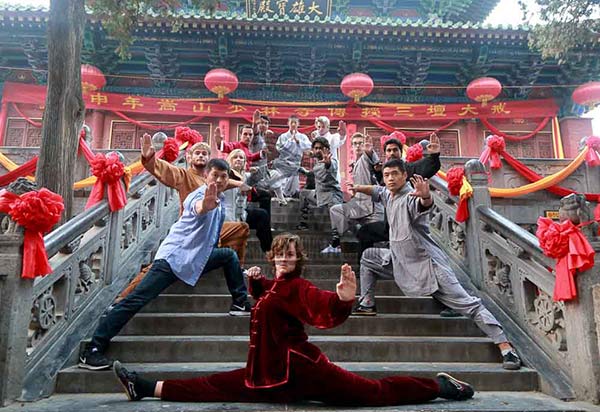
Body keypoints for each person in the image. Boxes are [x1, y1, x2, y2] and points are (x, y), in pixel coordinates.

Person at [112, 233, 474, 405]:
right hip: (263, 375)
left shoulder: (297, 286)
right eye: (279, 254)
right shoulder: (274, 287)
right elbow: (269, 295)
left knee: (374, 392)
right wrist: (254, 282)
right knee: (211, 384)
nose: (283, 259)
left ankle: (439, 387)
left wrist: (343, 300)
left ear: (298, 259)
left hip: (303, 371)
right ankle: (145, 387)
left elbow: (317, 306)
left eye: (289, 255)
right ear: (273, 257)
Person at [348, 159, 522, 370]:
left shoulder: (410, 196)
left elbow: (424, 204)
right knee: (368, 257)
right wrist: (358, 188)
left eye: (395, 173)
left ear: (405, 176)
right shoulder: (387, 194)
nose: (391, 178)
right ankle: (367, 303)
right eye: (387, 175)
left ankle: (506, 347)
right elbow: (376, 190)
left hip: (429, 266)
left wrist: (426, 196)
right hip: (399, 262)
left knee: (469, 304)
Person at [79, 160, 251, 371]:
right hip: (173, 258)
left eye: (224, 177)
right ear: (206, 176)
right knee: (137, 299)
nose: (219, 180)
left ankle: (240, 303)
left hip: (195, 258)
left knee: (228, 256)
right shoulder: (199, 196)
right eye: (215, 175)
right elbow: (197, 208)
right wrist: (204, 206)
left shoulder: (220, 201)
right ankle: (94, 349)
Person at [117, 134, 251, 299]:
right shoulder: (183, 175)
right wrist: (149, 158)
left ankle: (237, 267)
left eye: (204, 154)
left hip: (210, 232)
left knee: (241, 228)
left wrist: (241, 184)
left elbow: (227, 181)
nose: (201, 156)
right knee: (155, 270)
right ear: (189, 157)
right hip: (190, 234)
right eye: (197, 153)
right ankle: (122, 298)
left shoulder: (211, 179)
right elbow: (165, 170)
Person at [356, 133, 442, 262]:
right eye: (388, 150)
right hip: (390, 225)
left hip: (408, 225)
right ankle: (365, 267)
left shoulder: (408, 168)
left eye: (395, 150)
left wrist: (434, 156)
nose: (391, 153)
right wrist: (369, 155)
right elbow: (378, 185)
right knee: (364, 232)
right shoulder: (384, 170)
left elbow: (427, 167)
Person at [321, 133, 383, 254]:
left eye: (360, 143)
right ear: (352, 147)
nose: (358, 146)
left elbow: (374, 161)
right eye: (355, 144)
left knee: (378, 241)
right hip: (358, 204)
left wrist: (370, 151)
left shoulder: (365, 157)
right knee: (336, 210)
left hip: (373, 206)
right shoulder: (355, 163)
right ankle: (337, 243)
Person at [225, 149, 273, 254]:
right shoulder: (225, 174)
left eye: (241, 158)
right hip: (228, 216)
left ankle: (268, 250)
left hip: (242, 213)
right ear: (230, 160)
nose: (238, 159)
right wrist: (239, 185)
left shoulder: (244, 175)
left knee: (263, 211)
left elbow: (255, 176)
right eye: (235, 157)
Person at [296, 137, 343, 231]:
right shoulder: (317, 163)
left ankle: (337, 238)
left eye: (320, 148)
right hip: (318, 195)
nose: (318, 150)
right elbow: (314, 173)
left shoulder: (332, 160)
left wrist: (328, 163)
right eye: (316, 148)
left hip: (331, 196)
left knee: (336, 219)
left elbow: (330, 166)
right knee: (304, 194)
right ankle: (303, 223)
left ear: (326, 149)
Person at [263, 115, 311, 205]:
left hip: (296, 163)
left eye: (295, 122)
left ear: (298, 124)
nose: (293, 124)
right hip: (284, 163)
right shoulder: (283, 136)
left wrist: (298, 142)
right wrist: (290, 141)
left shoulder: (302, 136)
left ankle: (292, 196)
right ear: (288, 123)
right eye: (291, 122)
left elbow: (309, 146)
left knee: (293, 183)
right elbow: (279, 148)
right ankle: (282, 197)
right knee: (283, 181)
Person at [312, 116, 347, 182]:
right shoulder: (316, 138)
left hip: (331, 171)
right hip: (319, 171)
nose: (320, 129)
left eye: (323, 127)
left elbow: (339, 140)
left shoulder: (333, 138)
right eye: (319, 127)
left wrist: (342, 135)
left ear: (328, 127)